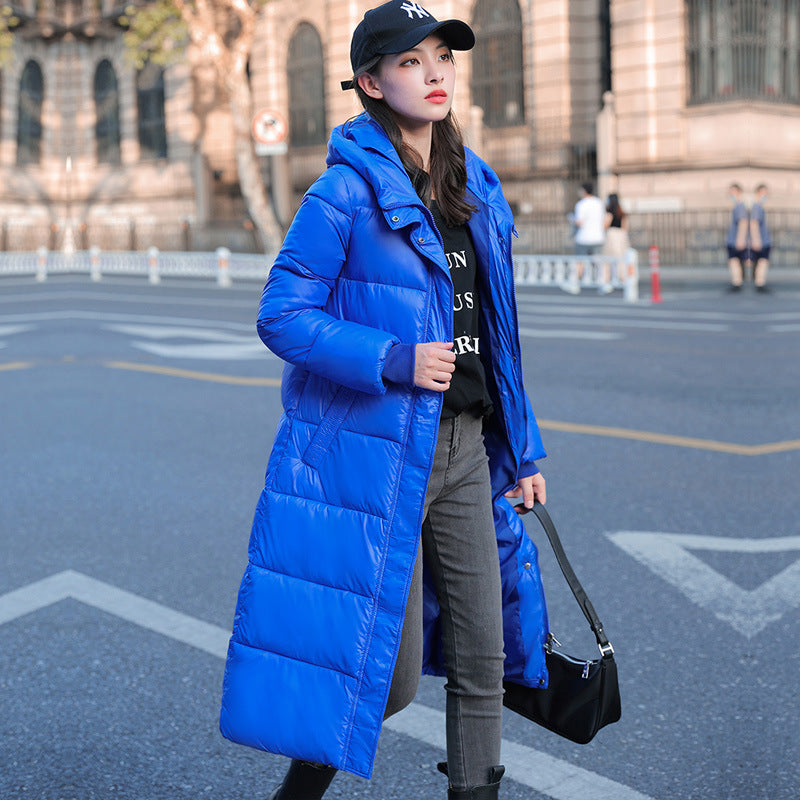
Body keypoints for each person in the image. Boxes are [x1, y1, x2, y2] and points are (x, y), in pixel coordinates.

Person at [218, 3, 550, 800]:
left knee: (482, 659)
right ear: (371, 82)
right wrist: (392, 358)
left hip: (466, 448)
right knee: (382, 672)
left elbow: (496, 334)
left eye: (443, 56)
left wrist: (523, 450)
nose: (434, 73)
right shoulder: (343, 191)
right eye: (410, 61)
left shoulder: (478, 188)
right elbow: (282, 315)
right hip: (378, 449)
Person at [603, 193, 630, 283]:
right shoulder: (621, 212)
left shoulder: (609, 212)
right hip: (621, 236)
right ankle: (623, 277)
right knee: (621, 258)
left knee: (608, 258)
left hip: (612, 235)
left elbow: (605, 225)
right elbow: (625, 227)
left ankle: (608, 278)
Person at [725, 183, 748, 291]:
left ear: (739, 192)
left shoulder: (740, 207)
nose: (731, 195)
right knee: (735, 262)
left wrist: (740, 239)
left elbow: (743, 223)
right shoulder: (738, 206)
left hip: (735, 241)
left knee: (734, 261)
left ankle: (737, 283)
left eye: (733, 192)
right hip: (734, 240)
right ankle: (738, 282)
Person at [749, 183, 771, 292]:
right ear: (758, 193)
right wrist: (757, 240)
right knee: (762, 262)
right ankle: (759, 284)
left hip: (763, 240)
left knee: (761, 262)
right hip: (761, 241)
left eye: (766, 193)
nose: (765, 195)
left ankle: (759, 283)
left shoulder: (758, 207)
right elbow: (754, 224)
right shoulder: (757, 207)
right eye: (764, 193)